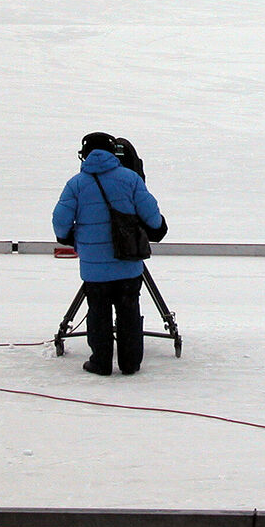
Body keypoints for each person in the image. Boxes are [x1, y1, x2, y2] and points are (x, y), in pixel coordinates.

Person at [51, 132, 166, 377]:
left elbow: (60, 222)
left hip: (94, 267)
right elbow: (153, 217)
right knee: (129, 311)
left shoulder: (76, 184)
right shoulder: (131, 178)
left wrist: (72, 238)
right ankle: (130, 363)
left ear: (85, 155)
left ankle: (100, 362)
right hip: (128, 261)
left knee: (98, 312)